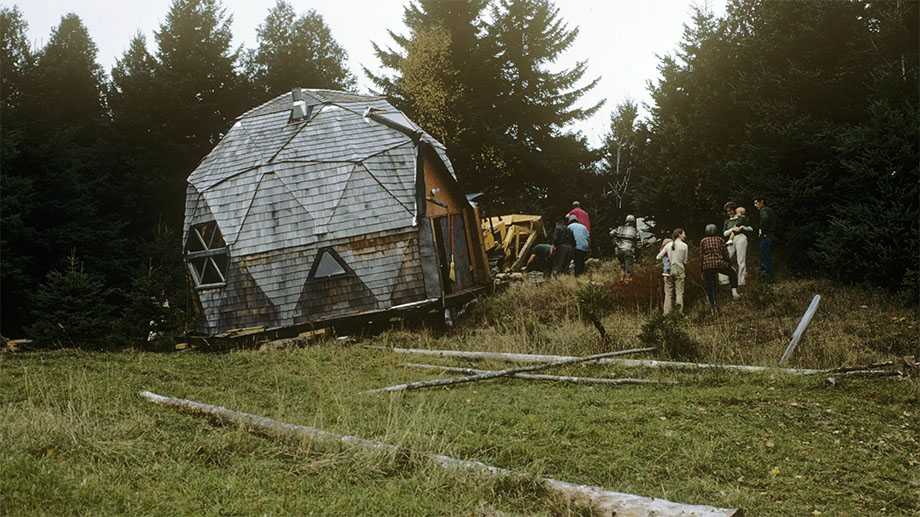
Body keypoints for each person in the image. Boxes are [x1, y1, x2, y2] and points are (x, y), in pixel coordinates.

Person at [700, 224, 741, 311]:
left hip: (707, 266)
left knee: (710, 285)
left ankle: (713, 304)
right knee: (733, 273)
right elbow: (725, 253)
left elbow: (701, 256)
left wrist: (702, 269)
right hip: (719, 264)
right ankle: (734, 293)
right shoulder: (720, 239)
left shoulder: (703, 241)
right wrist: (729, 264)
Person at [657, 228, 688, 314]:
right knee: (679, 293)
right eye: (684, 234)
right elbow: (685, 261)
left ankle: (666, 313)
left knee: (668, 294)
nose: (685, 235)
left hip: (668, 272)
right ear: (679, 234)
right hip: (679, 269)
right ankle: (679, 313)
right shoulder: (685, 246)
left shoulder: (668, 245)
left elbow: (658, 257)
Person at [723, 206, 753, 286]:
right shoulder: (727, 221)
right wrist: (732, 229)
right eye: (727, 211)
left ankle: (741, 281)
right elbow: (724, 233)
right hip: (731, 239)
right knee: (725, 258)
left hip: (741, 238)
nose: (729, 213)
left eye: (731, 211)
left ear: (735, 210)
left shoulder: (742, 218)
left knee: (741, 260)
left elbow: (751, 229)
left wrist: (743, 227)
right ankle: (724, 280)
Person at [754, 197, 777, 281]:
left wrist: (761, 230)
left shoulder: (764, 210)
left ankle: (768, 278)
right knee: (768, 257)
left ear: (762, 202)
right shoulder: (769, 210)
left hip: (766, 236)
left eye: (756, 203)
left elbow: (765, 219)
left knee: (765, 257)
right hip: (771, 236)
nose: (755, 205)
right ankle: (770, 277)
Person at [610, 215, 639, 281]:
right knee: (628, 267)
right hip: (629, 250)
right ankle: (627, 282)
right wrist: (637, 254)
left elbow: (611, 233)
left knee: (622, 266)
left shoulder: (620, 228)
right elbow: (639, 244)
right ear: (633, 222)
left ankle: (621, 279)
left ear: (626, 221)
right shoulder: (635, 231)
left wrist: (615, 242)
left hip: (619, 250)